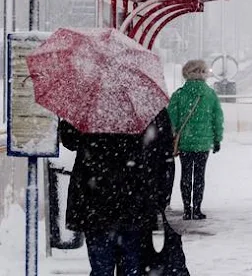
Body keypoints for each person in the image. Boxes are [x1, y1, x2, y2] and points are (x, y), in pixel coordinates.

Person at [59, 109, 174, 276]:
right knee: (131, 265)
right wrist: (160, 200)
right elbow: (164, 154)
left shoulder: (90, 102)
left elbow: (70, 139)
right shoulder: (147, 105)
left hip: (95, 201)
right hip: (134, 200)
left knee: (101, 267)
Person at [168, 59, 224, 220]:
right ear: (204, 73)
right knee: (199, 176)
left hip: (185, 141)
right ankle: (197, 209)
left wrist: (172, 136)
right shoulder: (210, 94)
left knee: (185, 175)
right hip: (203, 143)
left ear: (186, 73)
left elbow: (171, 119)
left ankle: (187, 209)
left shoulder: (179, 94)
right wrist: (217, 139)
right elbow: (217, 118)